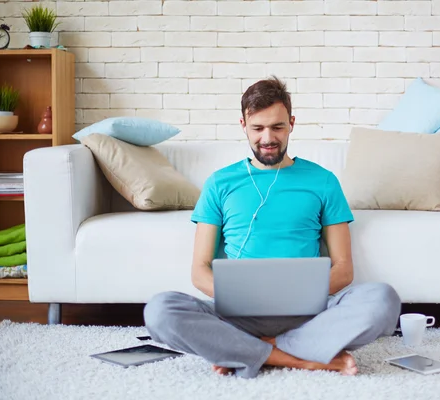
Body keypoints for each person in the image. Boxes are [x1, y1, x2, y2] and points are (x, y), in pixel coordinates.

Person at [143, 76, 401, 379]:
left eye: (277, 127)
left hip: (309, 315)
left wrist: (300, 294)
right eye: (258, 128)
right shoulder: (219, 183)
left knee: (383, 299)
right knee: (159, 311)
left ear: (291, 123)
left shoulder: (323, 181)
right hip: (237, 315)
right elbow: (199, 270)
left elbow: (343, 268)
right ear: (243, 125)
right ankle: (305, 358)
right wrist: (242, 297)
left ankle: (251, 351)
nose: (268, 138)